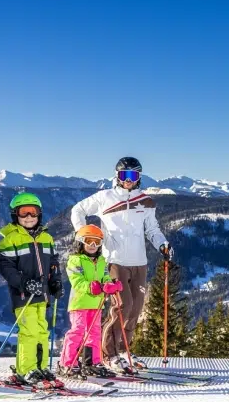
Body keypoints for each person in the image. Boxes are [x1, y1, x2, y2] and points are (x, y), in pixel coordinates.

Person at [69, 157, 173, 372]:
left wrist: (162, 244)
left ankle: (125, 349)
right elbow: (77, 210)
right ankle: (109, 353)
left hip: (139, 262)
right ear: (117, 176)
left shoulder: (146, 202)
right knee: (122, 306)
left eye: (133, 176)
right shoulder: (104, 197)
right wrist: (84, 234)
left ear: (139, 178)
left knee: (135, 308)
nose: (128, 180)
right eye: (124, 175)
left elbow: (152, 230)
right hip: (114, 259)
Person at [0, 192, 63, 385]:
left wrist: (55, 282)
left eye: (33, 212)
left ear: (39, 214)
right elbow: (6, 267)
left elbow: (54, 263)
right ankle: (26, 370)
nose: (28, 217)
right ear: (15, 215)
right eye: (23, 212)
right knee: (29, 331)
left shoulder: (46, 238)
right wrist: (23, 282)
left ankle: (40, 367)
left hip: (43, 294)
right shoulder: (10, 240)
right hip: (23, 294)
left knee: (42, 331)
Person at [59, 225, 123, 378]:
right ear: (80, 242)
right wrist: (91, 286)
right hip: (79, 303)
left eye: (97, 242)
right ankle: (67, 363)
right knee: (78, 331)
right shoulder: (75, 261)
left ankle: (92, 362)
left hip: (96, 304)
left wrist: (112, 284)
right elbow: (77, 281)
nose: (93, 246)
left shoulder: (101, 261)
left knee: (94, 333)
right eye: (89, 241)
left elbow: (105, 277)